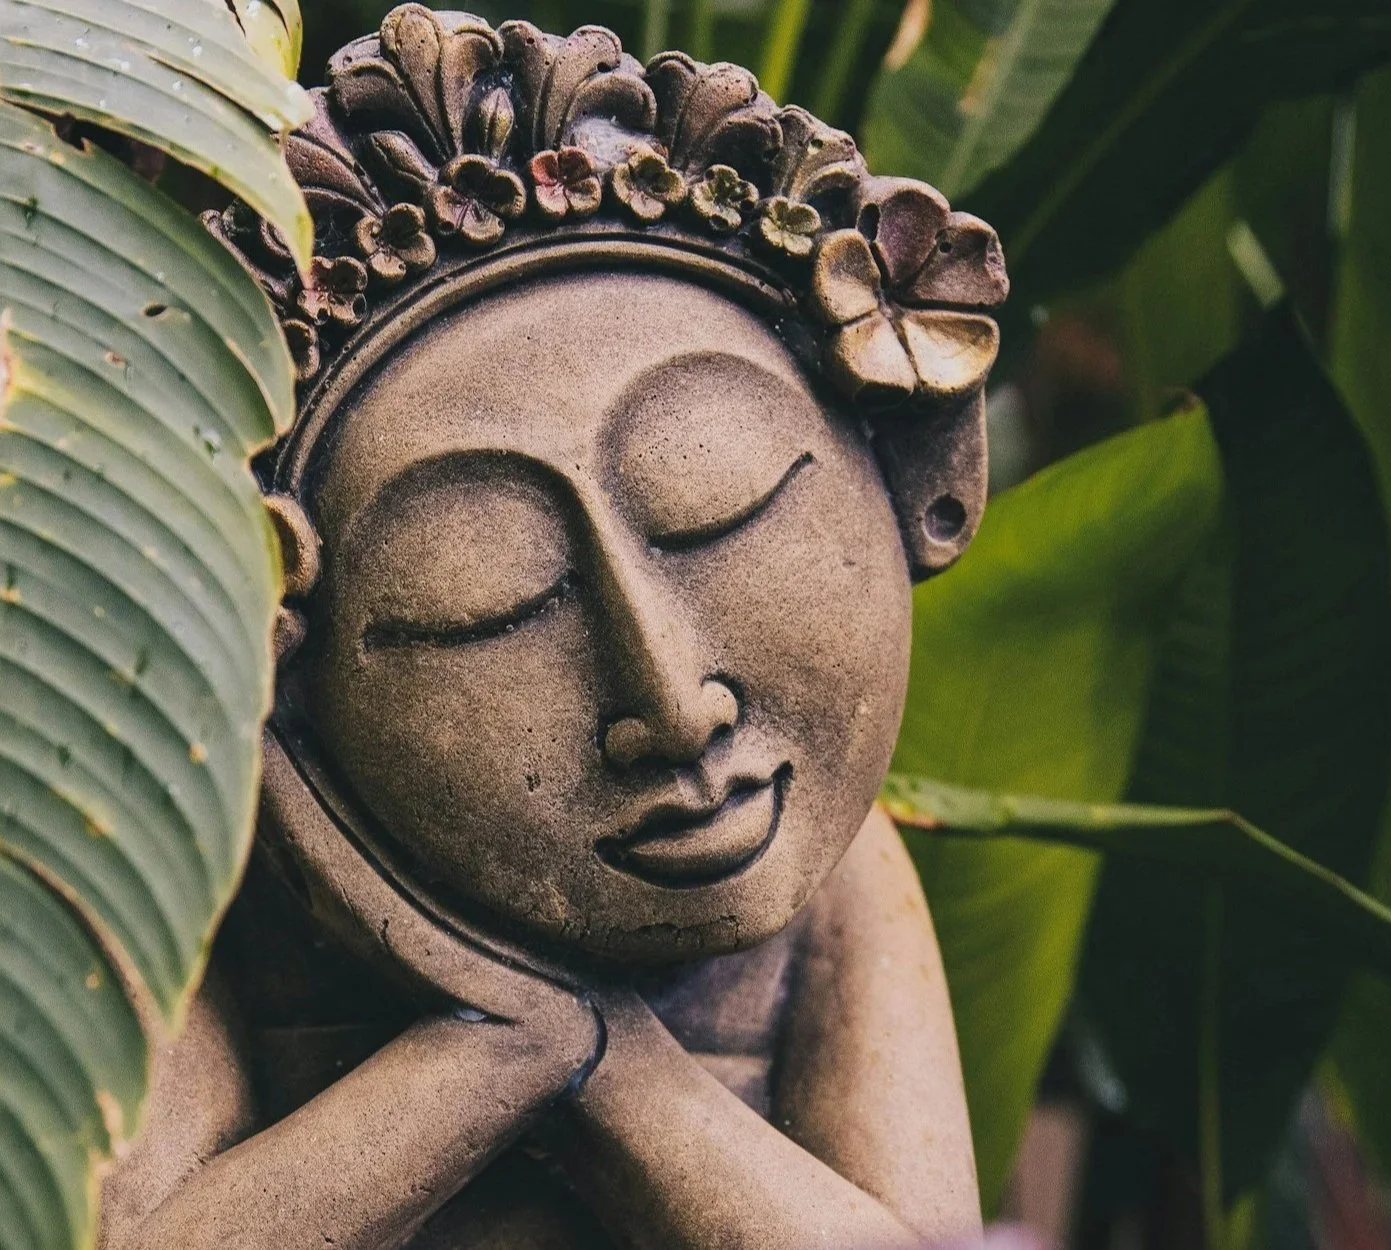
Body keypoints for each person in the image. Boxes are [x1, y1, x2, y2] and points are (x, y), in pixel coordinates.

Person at [97, 8, 1007, 1247]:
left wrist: (604, 1065)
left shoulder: (842, 885)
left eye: (718, 510)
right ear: (268, 642)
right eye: (489, 603)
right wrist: (488, 1052)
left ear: (925, 482)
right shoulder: (203, 882)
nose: (674, 702)